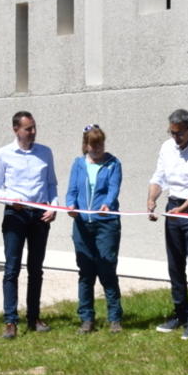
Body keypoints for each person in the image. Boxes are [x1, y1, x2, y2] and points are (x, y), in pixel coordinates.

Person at [0, 110, 59, 339]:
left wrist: (53, 207)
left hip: (40, 215)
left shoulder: (45, 152)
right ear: (16, 130)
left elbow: (51, 185)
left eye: (34, 127)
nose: (33, 132)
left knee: (36, 269)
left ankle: (34, 317)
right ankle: (10, 321)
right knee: (12, 269)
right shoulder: (2, 154)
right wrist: (10, 199)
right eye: (28, 129)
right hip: (15, 216)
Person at [147, 108, 188, 339]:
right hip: (173, 206)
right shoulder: (167, 148)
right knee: (175, 264)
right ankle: (180, 314)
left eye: (179, 134)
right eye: (172, 132)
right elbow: (159, 177)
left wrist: (183, 209)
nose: (175, 138)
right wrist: (152, 199)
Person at [65, 125, 124, 333]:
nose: (97, 148)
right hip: (82, 225)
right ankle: (87, 318)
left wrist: (107, 204)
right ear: (86, 145)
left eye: (100, 144)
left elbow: (114, 189)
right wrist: (70, 205)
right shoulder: (78, 164)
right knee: (86, 272)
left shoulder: (113, 164)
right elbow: (71, 190)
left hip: (106, 224)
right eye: (93, 144)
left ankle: (115, 318)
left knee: (107, 269)